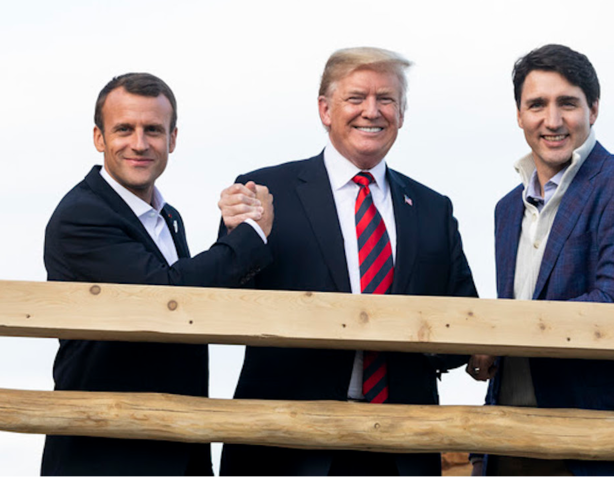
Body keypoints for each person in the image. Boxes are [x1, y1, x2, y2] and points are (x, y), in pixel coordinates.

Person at [219, 47, 478, 477]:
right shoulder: (266, 192)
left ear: (402, 112)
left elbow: (461, 319)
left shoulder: (433, 208)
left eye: (387, 99)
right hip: (288, 446)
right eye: (356, 98)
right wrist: (241, 235)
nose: (371, 112)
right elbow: (228, 300)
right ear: (325, 109)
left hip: (400, 450)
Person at [41, 72, 274, 477]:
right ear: (99, 138)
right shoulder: (82, 216)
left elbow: (194, 296)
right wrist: (253, 234)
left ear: (173, 139)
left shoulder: (168, 217)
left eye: (153, 129)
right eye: (123, 129)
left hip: (178, 446)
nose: (139, 143)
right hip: (106, 455)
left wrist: (233, 231)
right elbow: (165, 297)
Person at [467, 44, 614, 477]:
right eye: (536, 104)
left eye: (568, 104)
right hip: (506, 438)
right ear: (519, 115)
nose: (552, 120)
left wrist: (501, 332)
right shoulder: (507, 209)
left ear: (593, 109)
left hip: (589, 439)